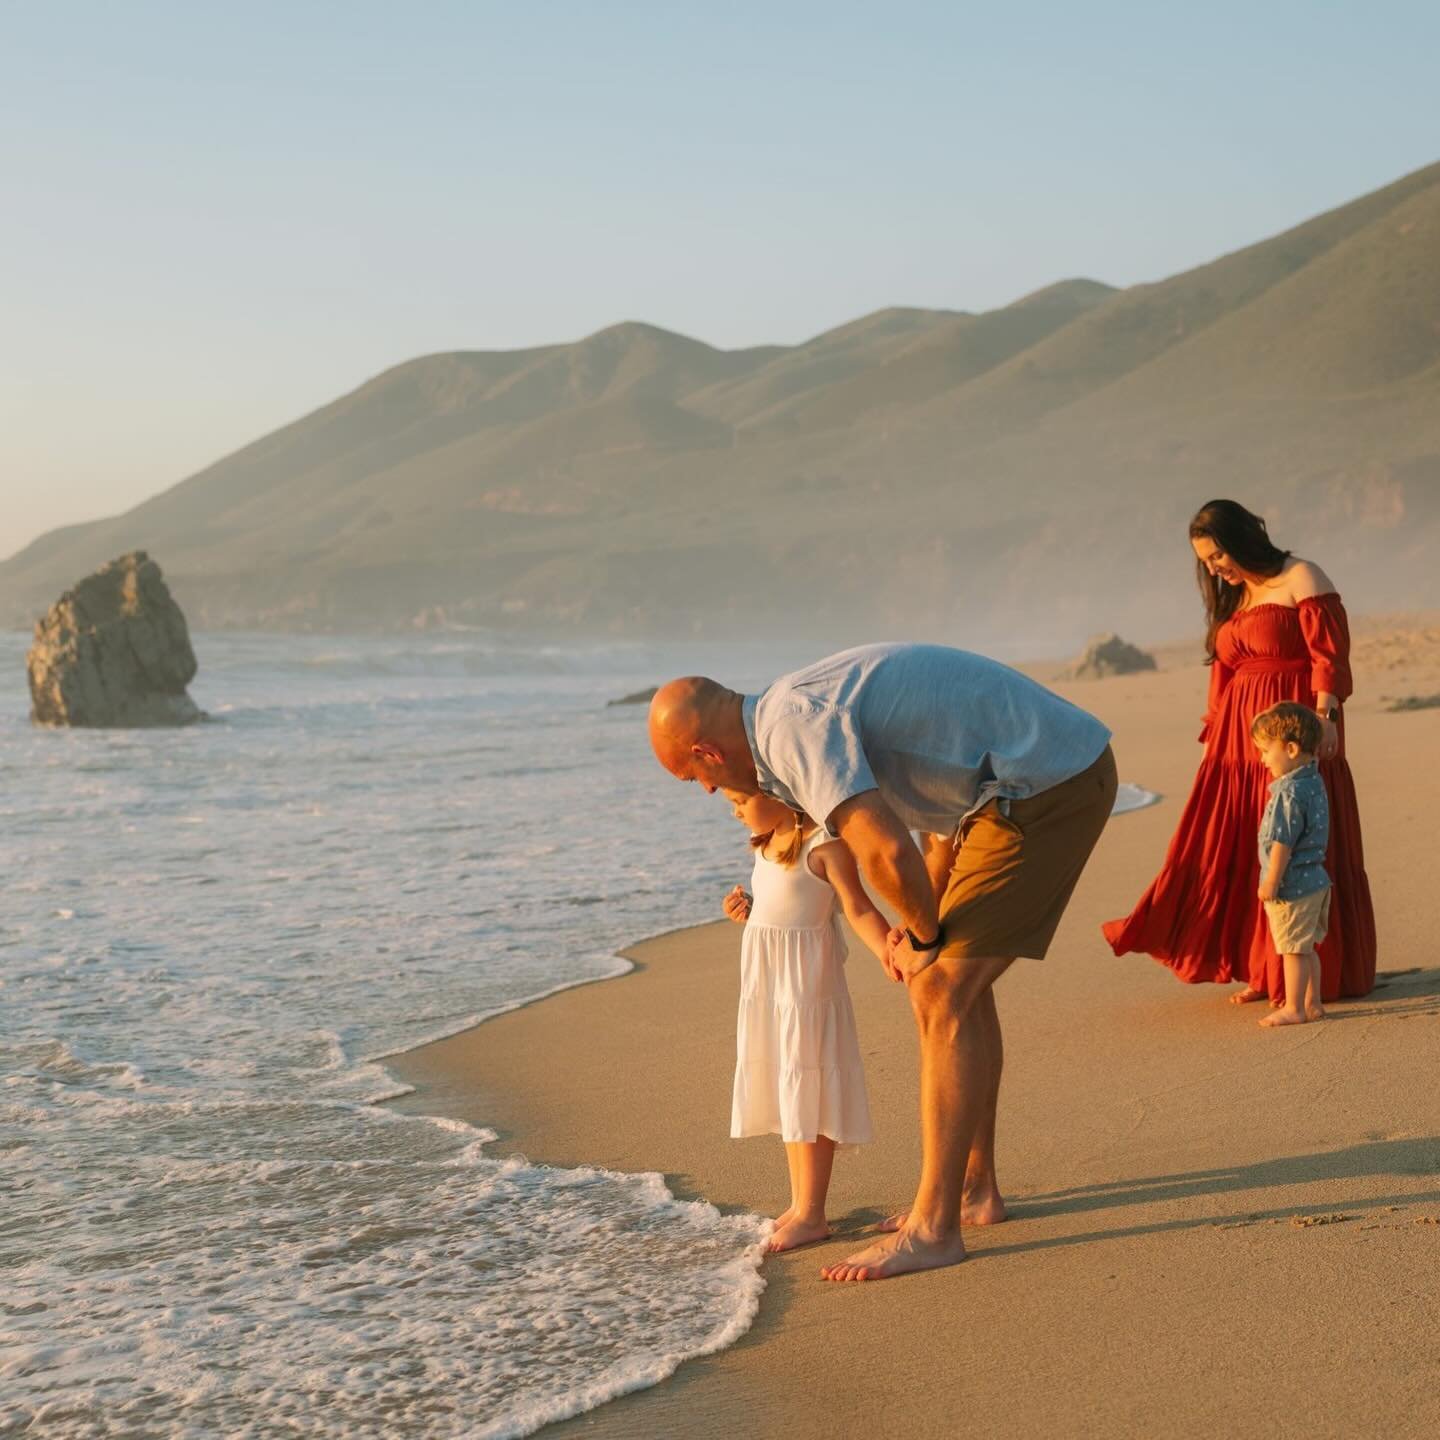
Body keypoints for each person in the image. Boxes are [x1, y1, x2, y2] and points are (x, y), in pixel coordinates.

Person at [648, 643, 1116, 1282]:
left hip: (1044, 784)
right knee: (955, 983)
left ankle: (934, 1229)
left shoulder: (788, 730)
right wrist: (927, 923)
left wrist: (921, 938)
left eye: (694, 778)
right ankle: (974, 1190)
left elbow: (886, 850)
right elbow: (935, 807)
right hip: (1009, 789)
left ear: (707, 752)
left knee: (941, 990)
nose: (707, 789)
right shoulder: (787, 710)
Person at [1102, 498, 1376, 1003]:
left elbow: (1328, 653)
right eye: (1205, 562)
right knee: (1246, 848)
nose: (1214, 569)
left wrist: (1326, 716)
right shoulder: (1234, 598)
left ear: (1242, 540)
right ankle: (1263, 967)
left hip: (1294, 731)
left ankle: (1311, 974)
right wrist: (1214, 738)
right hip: (1237, 744)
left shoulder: (1301, 576)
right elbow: (1223, 676)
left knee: (1297, 841)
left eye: (1217, 556)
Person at [720, 788, 887, 1252]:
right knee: (788, 1087)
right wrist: (748, 913)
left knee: (807, 1088)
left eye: (740, 798)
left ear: (778, 789)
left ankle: (813, 1214)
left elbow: (857, 907)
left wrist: (889, 950)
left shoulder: (824, 846)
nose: (735, 810)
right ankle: (799, 1204)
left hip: (806, 989)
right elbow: (781, 909)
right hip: (772, 990)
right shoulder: (768, 843)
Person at [1251, 702, 1331, 1028]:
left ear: (1292, 749)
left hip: (1293, 885)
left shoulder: (1288, 792)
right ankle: (1313, 1003)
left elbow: (1282, 842)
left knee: (1292, 950)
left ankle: (1294, 1008)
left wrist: (1271, 881)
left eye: (1266, 751)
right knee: (1307, 947)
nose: (1263, 759)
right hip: (1317, 880)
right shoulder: (1314, 781)